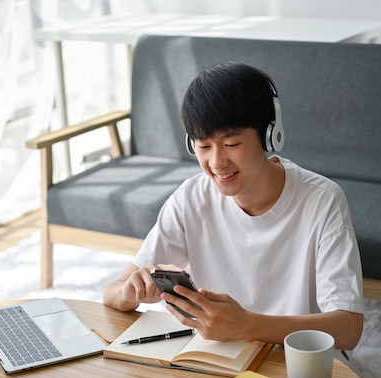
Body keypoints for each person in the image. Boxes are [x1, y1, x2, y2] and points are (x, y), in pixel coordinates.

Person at [103, 62, 363, 351]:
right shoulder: (190, 198)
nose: (216, 163)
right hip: (219, 359)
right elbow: (111, 293)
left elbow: (348, 328)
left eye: (232, 144)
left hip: (294, 359)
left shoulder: (322, 201)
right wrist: (131, 291)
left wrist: (246, 325)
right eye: (203, 147)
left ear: (270, 135)